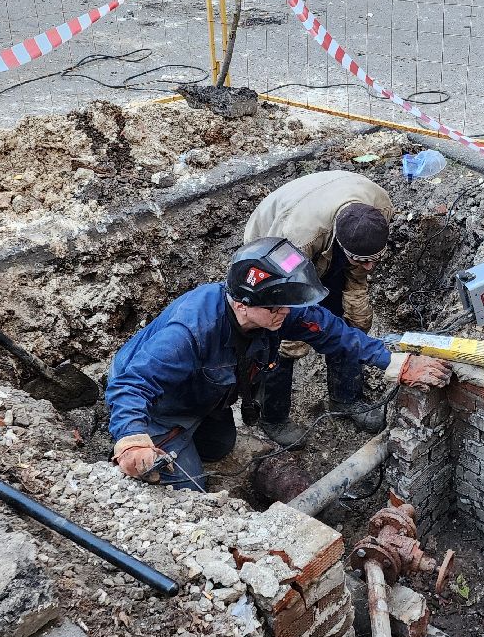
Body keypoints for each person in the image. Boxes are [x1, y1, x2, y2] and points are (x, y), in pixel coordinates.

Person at [107, 237, 449, 490]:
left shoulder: (276, 311)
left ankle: (192, 437)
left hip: (205, 395)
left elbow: (332, 331)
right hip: (160, 407)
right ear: (242, 304)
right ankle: (168, 447)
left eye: (286, 307)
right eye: (275, 308)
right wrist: (131, 437)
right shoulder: (189, 332)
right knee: (190, 489)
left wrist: (396, 363)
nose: (285, 316)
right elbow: (131, 385)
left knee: (221, 445)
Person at [243, 171, 397, 446]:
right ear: (340, 243)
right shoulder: (296, 238)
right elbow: (286, 294)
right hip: (273, 252)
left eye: (374, 260)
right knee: (280, 338)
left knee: (347, 322)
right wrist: (294, 330)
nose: (371, 267)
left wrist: (356, 303)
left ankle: (346, 398)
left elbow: (359, 271)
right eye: (362, 260)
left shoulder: (379, 208)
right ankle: (273, 417)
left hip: (328, 237)